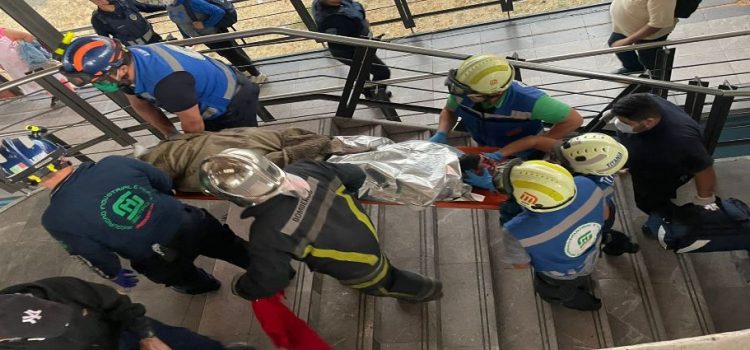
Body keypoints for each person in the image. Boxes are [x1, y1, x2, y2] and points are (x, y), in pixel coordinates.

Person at [0, 134, 251, 295]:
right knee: (233, 247)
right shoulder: (114, 163)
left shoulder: (55, 219)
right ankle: (268, 269)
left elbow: (93, 255)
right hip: (189, 221)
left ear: (26, 181)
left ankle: (203, 285)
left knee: (183, 277)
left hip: (156, 256)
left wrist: (113, 273)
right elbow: (163, 181)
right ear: (60, 153)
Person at [199, 149, 443, 302]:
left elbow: (271, 278)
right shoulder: (306, 170)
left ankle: (427, 290)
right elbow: (354, 174)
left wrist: (243, 288)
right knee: (376, 261)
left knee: (383, 282)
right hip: (359, 227)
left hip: (359, 266)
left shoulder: (267, 235)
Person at [60, 36, 261, 136]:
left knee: (244, 149)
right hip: (211, 91)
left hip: (233, 103)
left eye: (99, 80)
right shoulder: (129, 62)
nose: (98, 86)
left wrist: (187, 149)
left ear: (119, 70)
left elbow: (194, 126)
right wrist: (171, 135)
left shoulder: (167, 83)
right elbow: (138, 102)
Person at [0, 276, 253, 349]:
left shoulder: (53, 288)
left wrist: (148, 335)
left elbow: (118, 303)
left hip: (127, 331)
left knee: (192, 344)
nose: (69, 321)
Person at [499, 160, 608, 311]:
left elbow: (521, 265)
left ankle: (582, 302)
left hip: (558, 274)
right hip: (591, 254)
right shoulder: (587, 184)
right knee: (583, 274)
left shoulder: (516, 230)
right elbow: (605, 214)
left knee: (557, 293)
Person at [429, 54, 583, 151]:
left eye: (470, 94)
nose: (460, 95)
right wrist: (442, 133)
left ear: (495, 93)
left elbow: (574, 120)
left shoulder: (530, 101)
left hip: (522, 153)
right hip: (485, 146)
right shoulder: (464, 90)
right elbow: (449, 110)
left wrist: (539, 143)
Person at [611, 93, 717, 231]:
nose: (620, 125)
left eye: (626, 123)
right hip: (642, 164)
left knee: (651, 201)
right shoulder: (643, 103)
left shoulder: (680, 139)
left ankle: (666, 221)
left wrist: (704, 199)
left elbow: (703, 168)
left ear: (648, 122)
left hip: (661, 175)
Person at [164, 0, 266, 83]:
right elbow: (180, 23)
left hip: (214, 33)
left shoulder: (192, 2)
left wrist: (205, 24)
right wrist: (186, 37)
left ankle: (257, 75)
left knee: (233, 54)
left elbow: (218, 12)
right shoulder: (170, 5)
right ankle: (244, 71)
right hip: (203, 36)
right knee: (226, 54)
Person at [312, 0, 390, 99]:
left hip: (354, 47)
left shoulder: (325, 5)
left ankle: (370, 93)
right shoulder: (333, 19)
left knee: (362, 72)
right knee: (382, 72)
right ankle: (378, 96)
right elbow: (346, 38)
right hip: (350, 51)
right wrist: (368, 41)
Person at [0, 27, 75, 100]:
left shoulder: (2, 32)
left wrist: (27, 51)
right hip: (20, 74)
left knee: (61, 89)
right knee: (42, 98)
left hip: (36, 65)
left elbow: (27, 37)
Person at [608, 0, 677, 74]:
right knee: (615, 42)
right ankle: (634, 68)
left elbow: (658, 24)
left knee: (650, 63)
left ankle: (656, 82)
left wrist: (627, 41)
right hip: (625, 28)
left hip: (649, 36)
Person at [90, 0, 166, 46]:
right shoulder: (98, 19)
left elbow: (145, 7)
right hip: (136, 50)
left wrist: (166, 7)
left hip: (155, 39)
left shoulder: (126, 2)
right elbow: (107, 41)